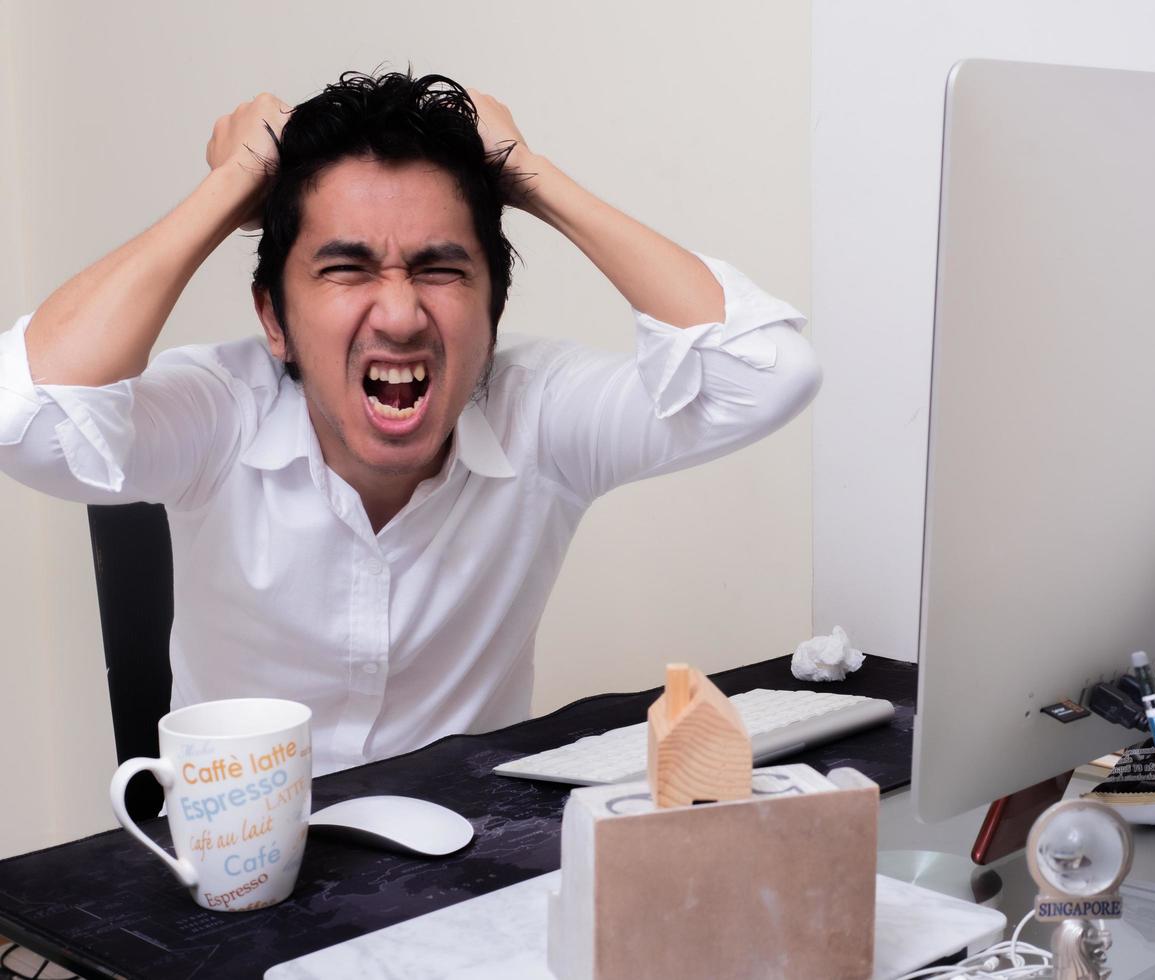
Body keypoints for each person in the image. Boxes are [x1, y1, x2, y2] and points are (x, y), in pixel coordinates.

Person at [0, 70, 819, 775]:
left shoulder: (536, 410)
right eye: (346, 268)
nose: (398, 313)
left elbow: (768, 374)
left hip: (465, 880)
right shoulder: (220, 407)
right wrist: (233, 187)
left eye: (439, 268)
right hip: (237, 875)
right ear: (274, 321)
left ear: (493, 315)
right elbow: (21, 416)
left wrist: (528, 175)